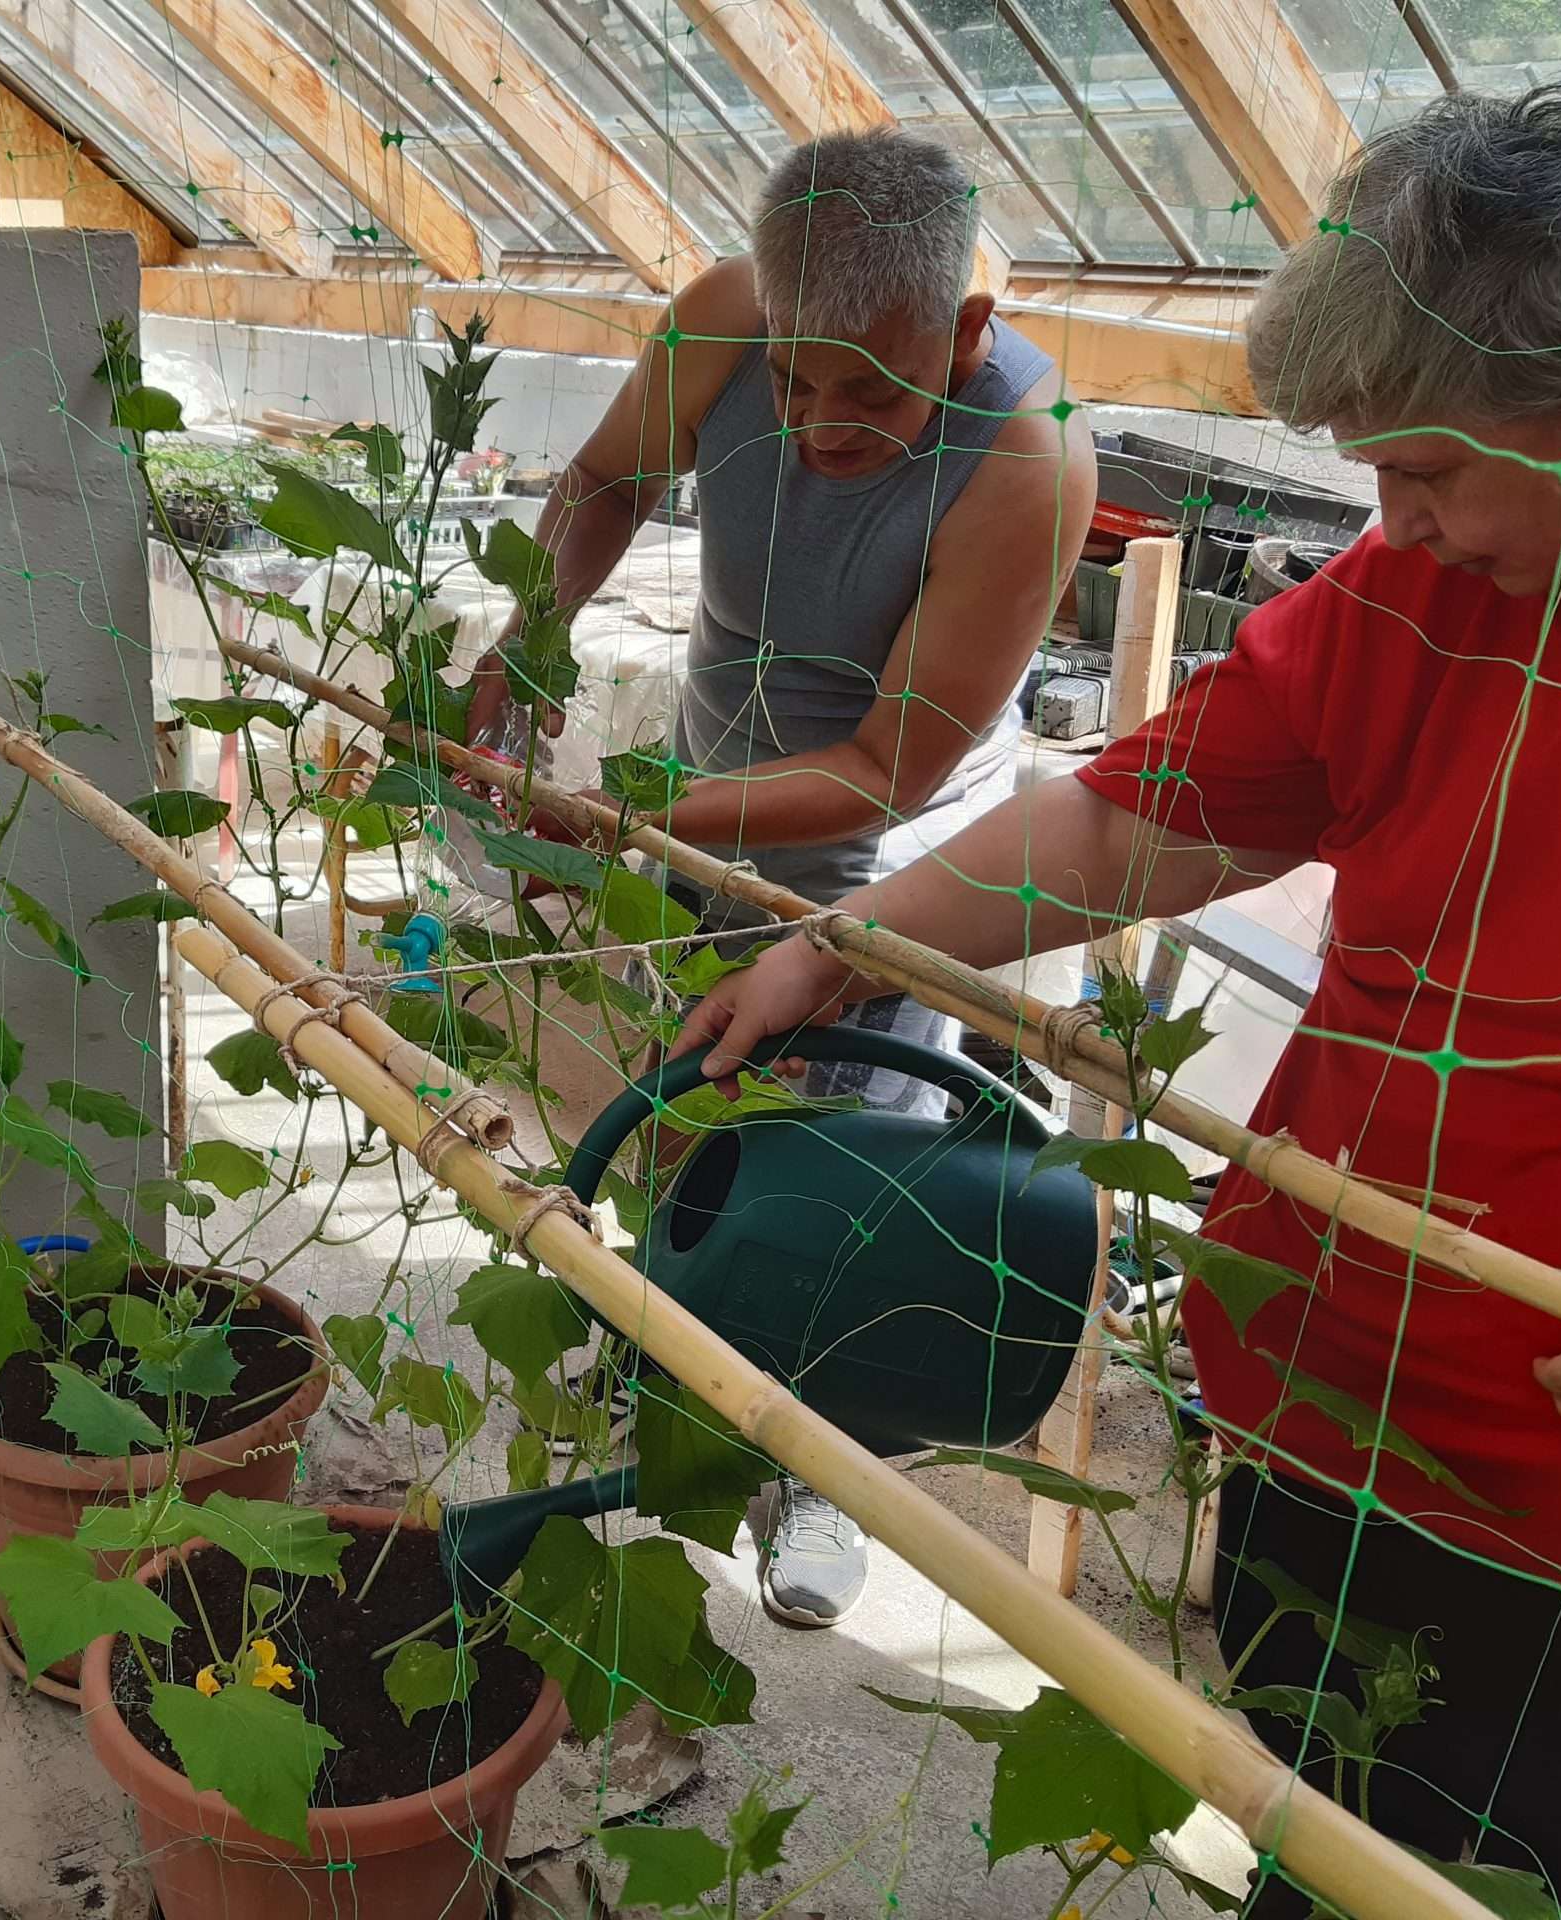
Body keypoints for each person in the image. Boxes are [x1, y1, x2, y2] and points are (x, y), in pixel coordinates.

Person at [676, 87, 1561, 1917]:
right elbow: (1129, 819)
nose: (1391, 521)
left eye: (1428, 469)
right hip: (1332, 1413)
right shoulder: (1413, 598)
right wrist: (846, 945)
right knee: (1319, 1827)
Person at [470, 127, 1096, 1629]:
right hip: (708, 804)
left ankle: (825, 1479)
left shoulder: (1029, 460)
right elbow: (605, 478)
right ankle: (675, 1385)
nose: (816, 426)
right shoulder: (721, 317)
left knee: (849, 1186)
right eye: (793, 383)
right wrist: (525, 643)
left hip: (890, 868)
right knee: (699, 1116)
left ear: (965, 330)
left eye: (868, 393)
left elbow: (891, 767)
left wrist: (630, 819)